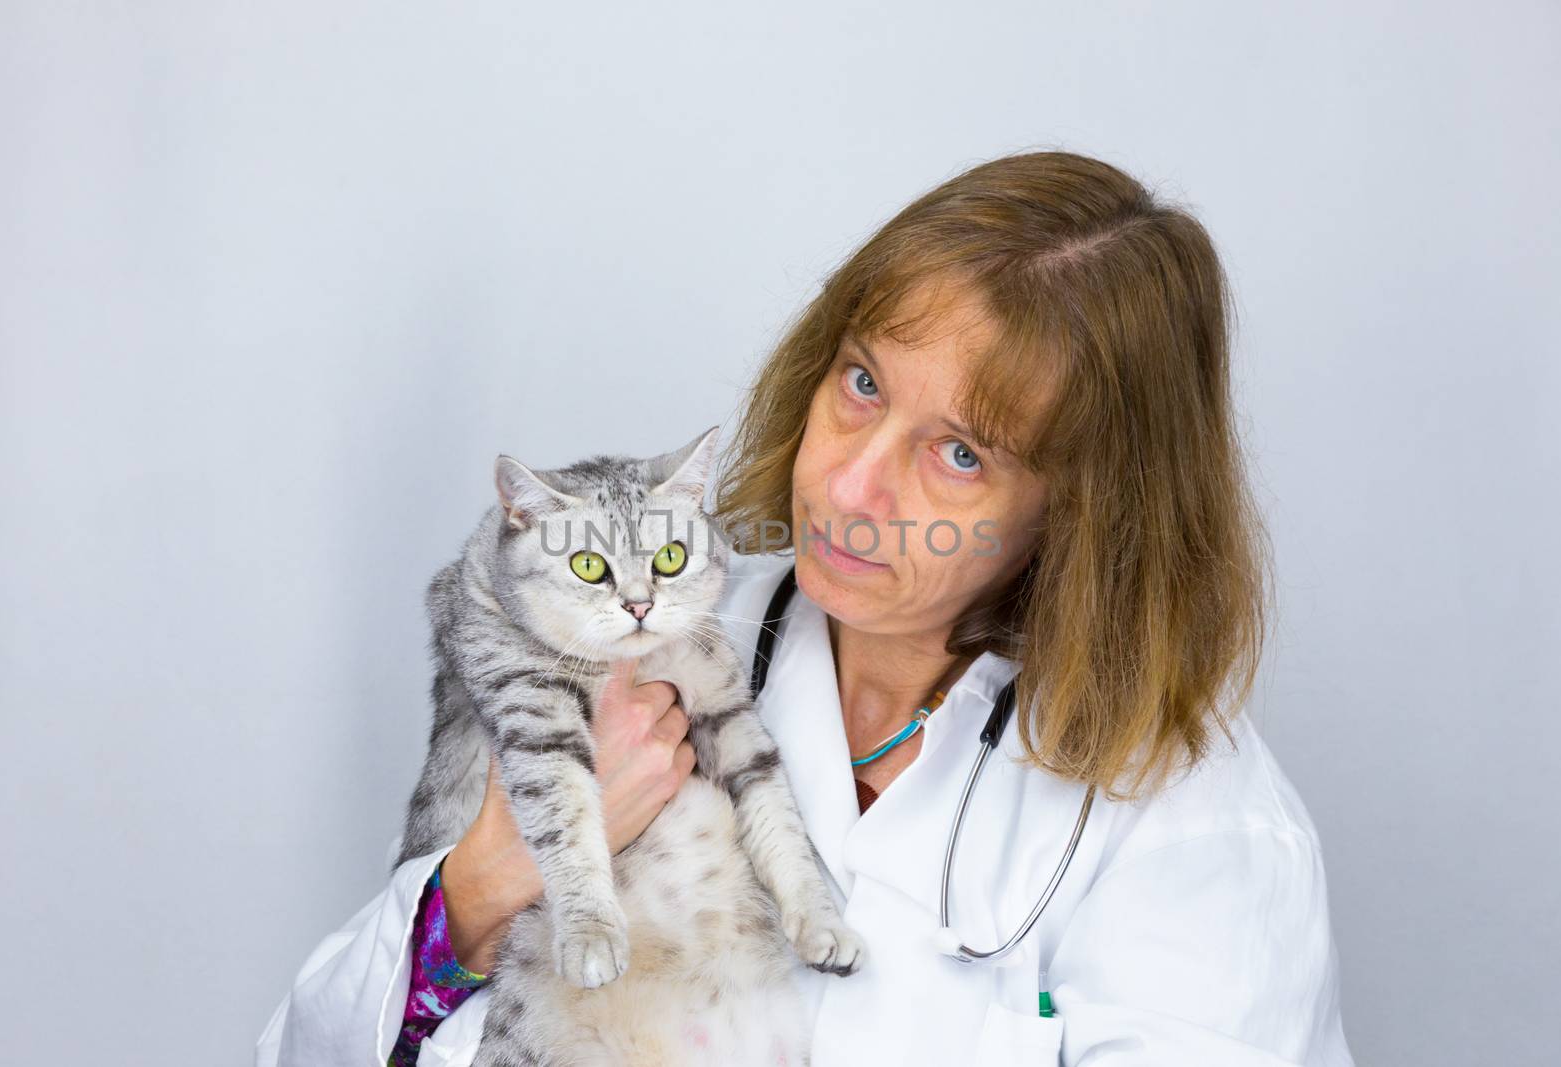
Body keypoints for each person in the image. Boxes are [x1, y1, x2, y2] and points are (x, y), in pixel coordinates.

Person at [256, 150, 1353, 1066]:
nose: (849, 484)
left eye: (960, 452)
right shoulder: (641, 652)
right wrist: (485, 883)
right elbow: (317, 1045)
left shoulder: (1193, 822)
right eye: (863, 383)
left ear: (1087, 510)